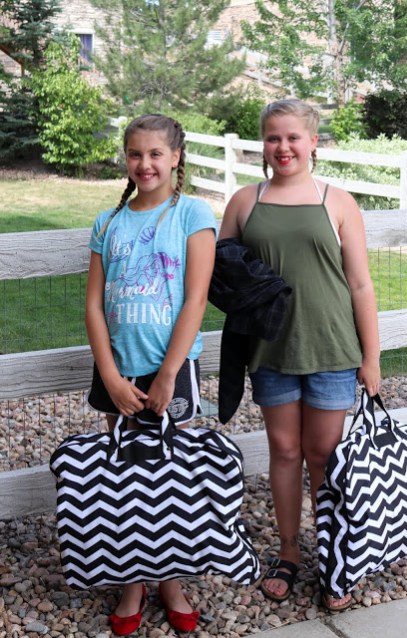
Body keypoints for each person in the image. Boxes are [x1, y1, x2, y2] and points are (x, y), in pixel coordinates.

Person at [218, 99, 380, 611]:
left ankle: (334, 559)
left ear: (313, 142)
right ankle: (289, 551)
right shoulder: (245, 202)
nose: (283, 147)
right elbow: (222, 274)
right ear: (263, 144)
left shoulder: (338, 201)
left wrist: (372, 357)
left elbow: (360, 284)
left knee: (324, 457)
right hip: (271, 350)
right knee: (286, 452)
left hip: (332, 348)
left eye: (293, 137)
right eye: (273, 138)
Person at [85, 113, 217, 635]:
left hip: (171, 369)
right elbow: (94, 305)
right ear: (126, 158)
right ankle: (132, 583)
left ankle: (170, 582)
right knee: (125, 477)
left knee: (169, 480)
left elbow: (196, 299)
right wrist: (110, 376)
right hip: (119, 369)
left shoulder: (192, 214)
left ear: (176, 157)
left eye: (156, 154)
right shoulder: (108, 222)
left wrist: (168, 374)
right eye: (135, 154)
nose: (145, 164)